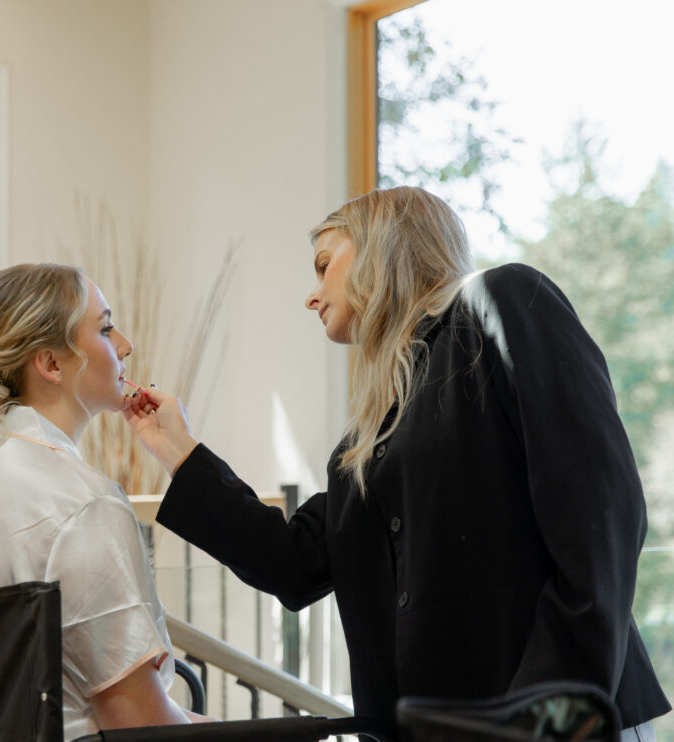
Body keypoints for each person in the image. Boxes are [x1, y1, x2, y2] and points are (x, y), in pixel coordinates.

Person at [123, 187, 670, 739]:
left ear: (380, 248)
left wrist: (549, 711)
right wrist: (178, 451)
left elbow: (603, 515)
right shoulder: (369, 436)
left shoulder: (505, 301)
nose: (311, 297)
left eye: (323, 265)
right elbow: (290, 563)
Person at [0, 263, 205, 740]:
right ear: (52, 364)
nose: (124, 346)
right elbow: (141, 727)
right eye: (104, 328)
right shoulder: (86, 505)